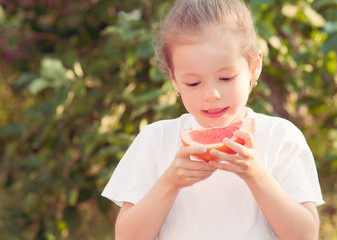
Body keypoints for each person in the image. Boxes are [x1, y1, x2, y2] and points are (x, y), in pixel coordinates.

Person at [102, 0, 324, 239]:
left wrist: (256, 175)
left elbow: (305, 235)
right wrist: (169, 183)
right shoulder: (155, 140)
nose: (211, 95)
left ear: (254, 67)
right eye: (193, 83)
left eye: (226, 78)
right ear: (174, 80)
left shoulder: (281, 137)